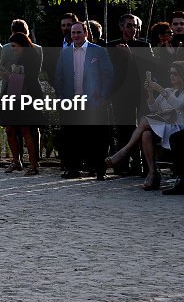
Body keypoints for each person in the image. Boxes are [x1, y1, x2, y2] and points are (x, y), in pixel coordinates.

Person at [105, 61, 184, 190]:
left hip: (177, 128)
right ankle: (152, 173)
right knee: (146, 134)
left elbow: (179, 105)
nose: (171, 76)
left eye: (175, 74)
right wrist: (151, 93)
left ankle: (126, 150)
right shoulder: (169, 90)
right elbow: (153, 108)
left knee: (144, 120)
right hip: (163, 127)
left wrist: (162, 91)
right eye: (170, 73)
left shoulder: (176, 92)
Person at [53, 22, 114, 179]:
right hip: (72, 100)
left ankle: (99, 169)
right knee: (72, 136)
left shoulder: (98, 51)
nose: (75, 36)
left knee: (96, 137)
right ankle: (73, 168)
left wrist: (103, 97)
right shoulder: (65, 53)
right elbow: (58, 77)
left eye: (78, 32)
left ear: (85, 33)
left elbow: (108, 75)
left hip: (93, 101)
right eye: (73, 33)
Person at [104, 13, 151, 175]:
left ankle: (145, 166)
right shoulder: (111, 46)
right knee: (124, 129)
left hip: (141, 93)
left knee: (144, 128)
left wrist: (130, 55)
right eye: (129, 25)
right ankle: (123, 166)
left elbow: (148, 69)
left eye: (136, 26)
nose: (133, 29)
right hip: (120, 94)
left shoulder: (145, 46)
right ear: (121, 27)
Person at [0, 32, 44, 175]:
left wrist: (10, 77)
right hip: (14, 97)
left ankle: (33, 165)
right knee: (9, 130)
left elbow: (29, 79)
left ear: (22, 45)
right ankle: (16, 160)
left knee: (26, 131)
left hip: (27, 97)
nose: (13, 49)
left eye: (14, 46)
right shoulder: (19, 58)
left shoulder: (32, 57)